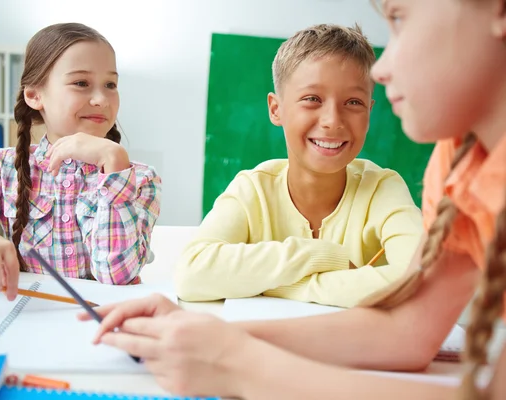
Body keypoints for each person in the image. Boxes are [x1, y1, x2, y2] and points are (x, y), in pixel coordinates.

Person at [79, 0, 506, 398]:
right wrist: (208, 334)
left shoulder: (397, 181)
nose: (382, 67)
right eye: (313, 99)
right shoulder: (462, 161)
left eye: (398, 18)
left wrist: (238, 362)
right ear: (276, 107)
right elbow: (408, 330)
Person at [0, 23, 162, 301]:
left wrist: (114, 162)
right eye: (81, 83)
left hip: (104, 327)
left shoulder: (139, 178)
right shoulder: (5, 167)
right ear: (34, 95)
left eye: (111, 85)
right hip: (28, 321)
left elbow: (116, 276)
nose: (101, 99)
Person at [175, 23, 423, 308]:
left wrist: (288, 286)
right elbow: (191, 274)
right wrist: (323, 256)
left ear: (369, 111)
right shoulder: (253, 189)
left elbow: (419, 284)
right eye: (312, 99)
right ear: (276, 109)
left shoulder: (382, 188)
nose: (332, 120)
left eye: (353, 102)